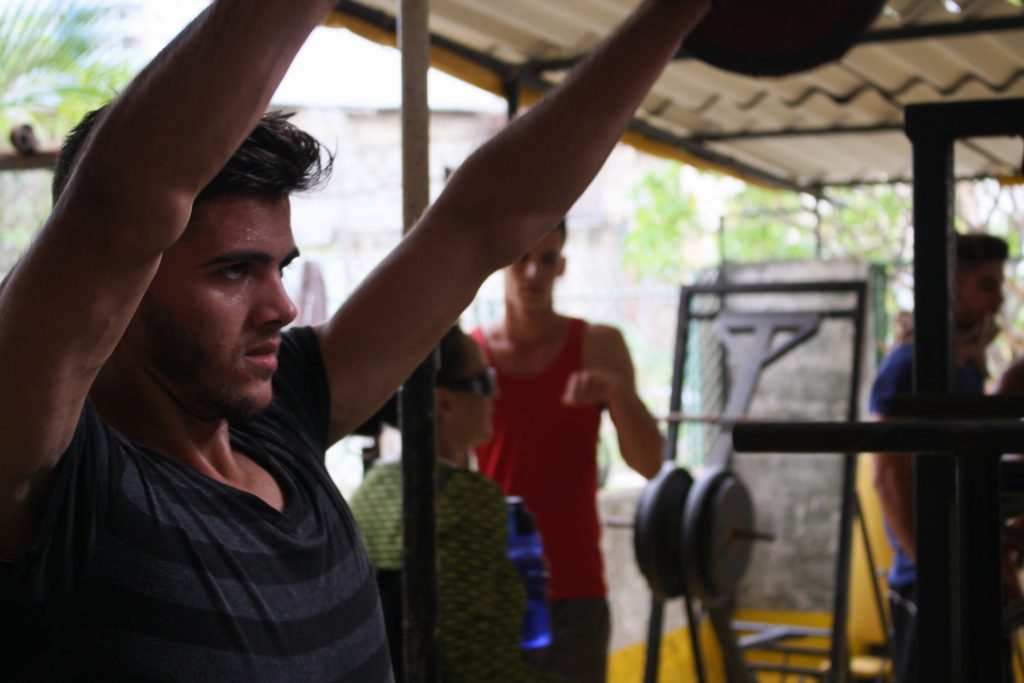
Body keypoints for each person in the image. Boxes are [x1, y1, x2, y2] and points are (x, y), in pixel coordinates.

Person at [0, 0, 714, 678]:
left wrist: (680, 12)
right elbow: (117, 206)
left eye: (281, 267)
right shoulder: (55, 482)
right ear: (124, 282)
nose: (280, 304)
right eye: (233, 271)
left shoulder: (284, 414)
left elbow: (479, 225)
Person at [472, 220, 663, 682]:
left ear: (563, 266)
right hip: (494, 587)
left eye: (547, 259)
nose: (533, 272)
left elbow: (651, 462)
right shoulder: (472, 354)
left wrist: (617, 394)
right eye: (521, 259)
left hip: (575, 586)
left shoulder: (599, 346)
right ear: (503, 263)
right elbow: (449, 471)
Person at [350, 326, 560, 683]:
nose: (494, 396)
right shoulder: (470, 501)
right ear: (443, 403)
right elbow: (471, 664)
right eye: (484, 382)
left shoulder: (364, 493)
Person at [868, 232, 1008, 683]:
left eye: (999, 285)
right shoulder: (908, 366)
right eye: (985, 286)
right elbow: (888, 478)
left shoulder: (965, 365)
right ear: (952, 289)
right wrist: (929, 571)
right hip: (926, 578)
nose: (998, 299)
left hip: (966, 569)